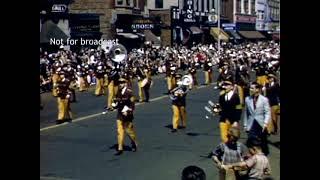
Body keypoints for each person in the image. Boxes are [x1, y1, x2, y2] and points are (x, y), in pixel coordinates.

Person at [243, 82, 271, 156]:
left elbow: (267, 112)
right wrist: (245, 125)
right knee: (251, 142)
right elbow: (246, 113)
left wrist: (265, 123)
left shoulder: (264, 99)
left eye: (252, 88)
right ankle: (254, 158)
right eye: (250, 88)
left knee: (261, 142)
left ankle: (262, 157)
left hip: (260, 124)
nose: (250, 89)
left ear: (257, 89)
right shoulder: (247, 99)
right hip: (251, 123)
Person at [113, 78, 138, 156]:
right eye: (119, 83)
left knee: (129, 131)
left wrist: (127, 111)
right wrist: (115, 105)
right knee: (119, 131)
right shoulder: (118, 91)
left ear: (125, 83)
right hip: (120, 114)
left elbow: (132, 104)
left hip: (127, 115)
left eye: (122, 82)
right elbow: (117, 101)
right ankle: (120, 148)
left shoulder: (129, 92)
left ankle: (134, 143)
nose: (120, 84)